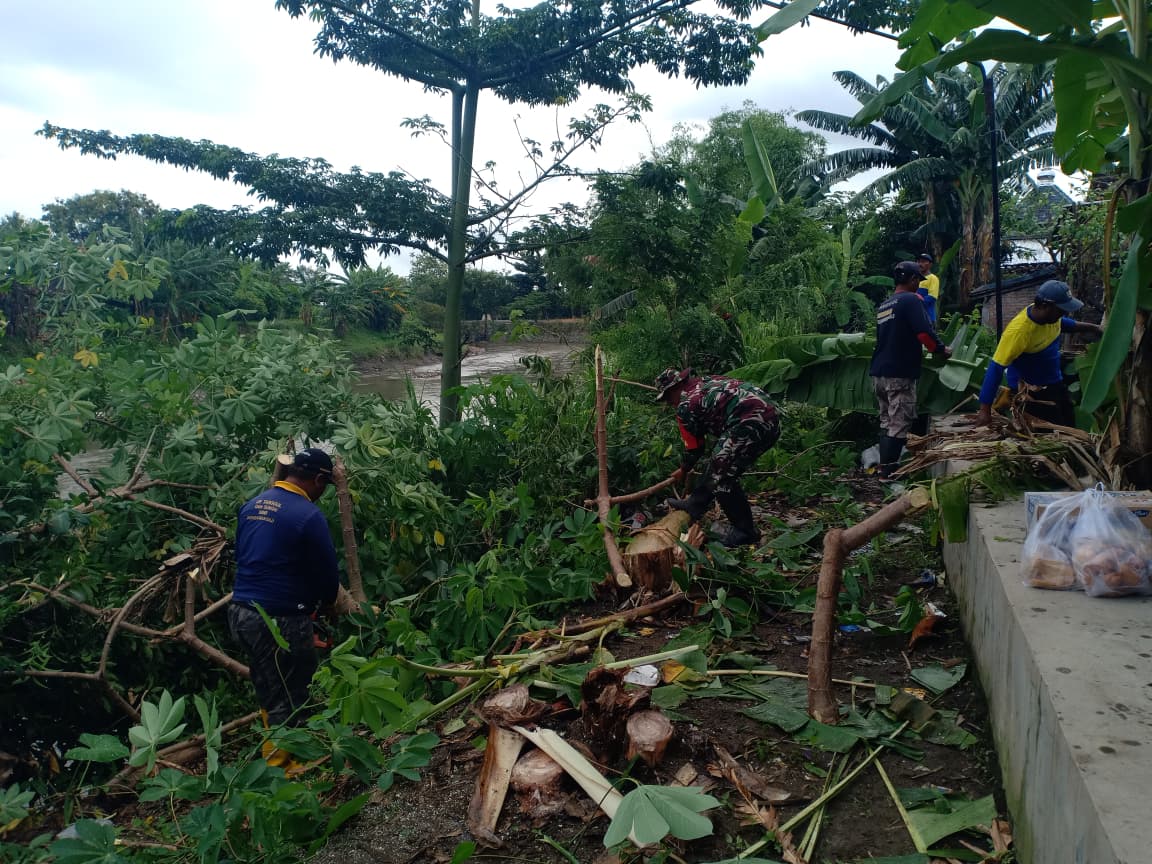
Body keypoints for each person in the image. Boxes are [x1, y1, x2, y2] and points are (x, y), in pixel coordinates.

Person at [229, 448, 340, 763]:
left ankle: (278, 751)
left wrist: (309, 616)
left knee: (268, 684)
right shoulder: (308, 515)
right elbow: (327, 576)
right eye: (324, 486)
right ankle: (281, 768)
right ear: (319, 479)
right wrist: (325, 606)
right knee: (291, 691)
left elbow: (249, 558)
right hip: (276, 618)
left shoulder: (250, 506)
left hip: (240, 613)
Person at [653, 369, 780, 547]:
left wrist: (683, 469)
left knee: (721, 476)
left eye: (667, 398)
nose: (669, 403)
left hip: (749, 420)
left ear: (673, 389)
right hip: (771, 418)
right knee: (724, 469)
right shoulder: (708, 381)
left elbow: (695, 448)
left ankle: (744, 532)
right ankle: (698, 503)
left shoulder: (685, 404)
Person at [973, 280, 1102, 428]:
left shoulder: (1052, 318)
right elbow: (995, 368)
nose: (1064, 313)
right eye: (1061, 310)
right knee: (1051, 434)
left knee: (1069, 426)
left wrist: (1094, 328)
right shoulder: (1018, 332)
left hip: (1054, 384)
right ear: (1044, 306)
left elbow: (1065, 324)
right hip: (1031, 394)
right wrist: (985, 411)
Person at [869, 261, 951, 478]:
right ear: (913, 279)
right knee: (899, 422)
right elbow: (924, 333)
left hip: (879, 372)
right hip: (899, 372)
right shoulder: (911, 300)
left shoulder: (885, 305)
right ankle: (889, 473)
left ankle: (883, 469)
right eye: (918, 281)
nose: (918, 285)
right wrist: (941, 349)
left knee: (887, 421)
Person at [916, 253, 940, 324]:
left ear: (930, 265)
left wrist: (915, 303)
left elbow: (932, 297)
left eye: (923, 262)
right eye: (918, 261)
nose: (920, 264)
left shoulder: (933, 278)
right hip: (915, 317)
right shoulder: (914, 278)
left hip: (928, 317)